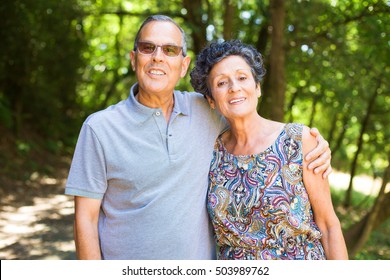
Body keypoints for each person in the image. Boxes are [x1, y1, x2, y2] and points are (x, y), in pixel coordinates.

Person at [65, 15, 332, 260]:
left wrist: (308, 141)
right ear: (134, 58)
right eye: (148, 48)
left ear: (183, 66)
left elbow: (250, 120)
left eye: (169, 50)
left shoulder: (205, 110)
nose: (158, 57)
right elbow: (85, 220)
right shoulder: (99, 128)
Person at [190, 40, 348, 260]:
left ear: (257, 87)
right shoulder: (211, 150)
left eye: (242, 77)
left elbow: (329, 226)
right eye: (222, 82)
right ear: (211, 100)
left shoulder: (298, 141)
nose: (234, 87)